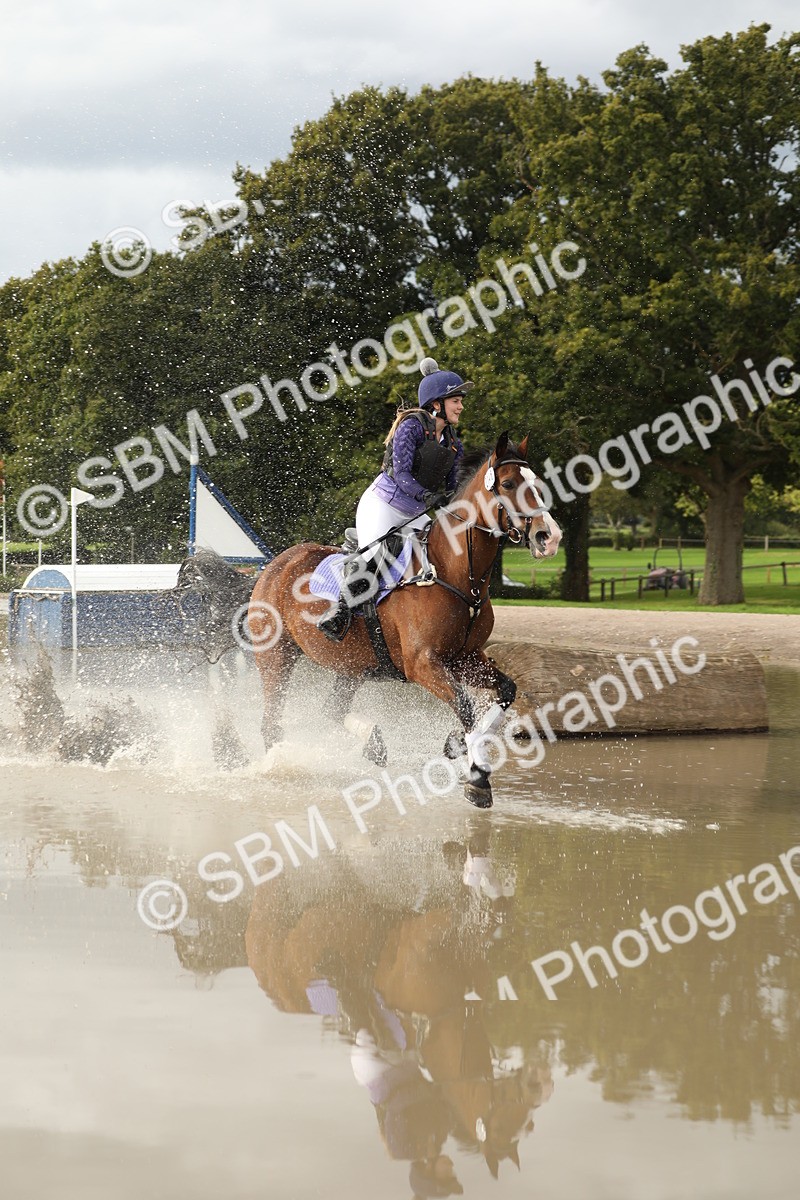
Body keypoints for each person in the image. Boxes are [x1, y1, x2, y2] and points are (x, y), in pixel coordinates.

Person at [318, 357, 471, 642]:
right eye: (455, 400)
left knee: (445, 550)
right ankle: (339, 612)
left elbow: (453, 486)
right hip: (384, 504)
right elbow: (400, 474)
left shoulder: (453, 444)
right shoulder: (411, 427)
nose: (461, 406)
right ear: (436, 403)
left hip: (415, 512)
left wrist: (454, 498)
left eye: (460, 401)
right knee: (377, 555)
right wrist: (427, 495)